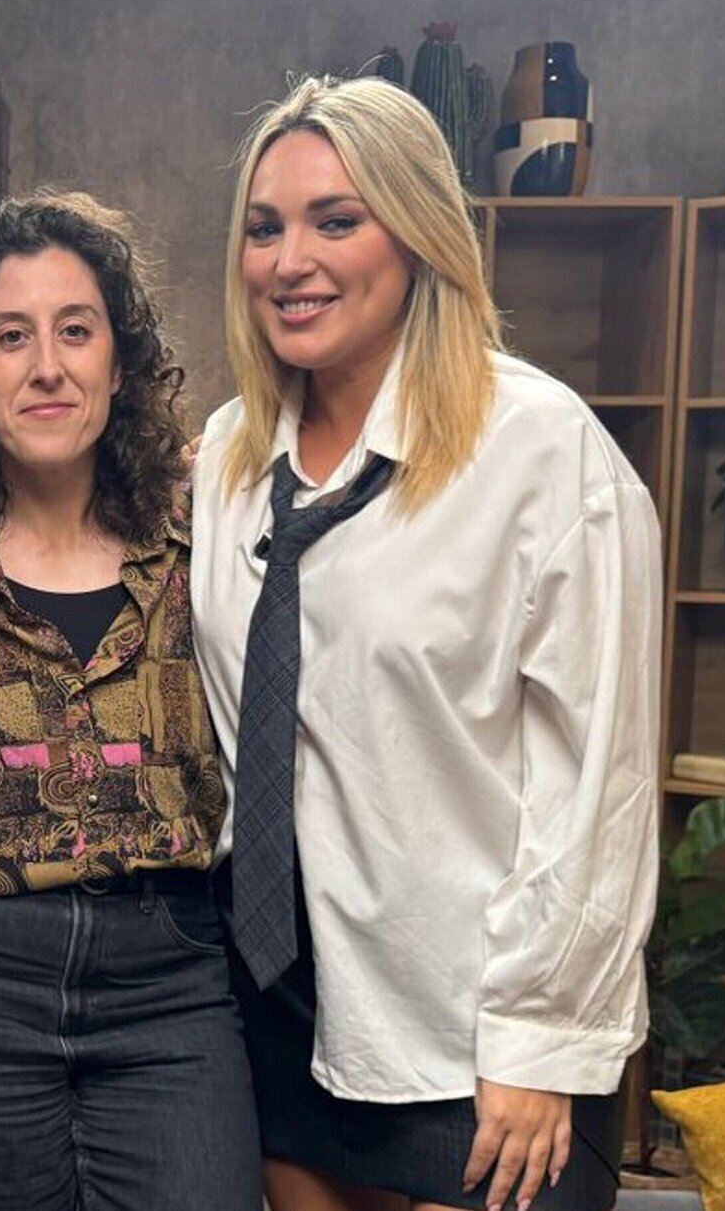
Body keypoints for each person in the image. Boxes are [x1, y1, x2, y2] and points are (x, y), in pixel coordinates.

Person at [192, 75, 661, 1211]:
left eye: (334, 220)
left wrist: (539, 1039)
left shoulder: (539, 451)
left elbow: (597, 783)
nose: (290, 260)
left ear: (415, 233)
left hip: (474, 1026)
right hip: (283, 1006)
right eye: (264, 228)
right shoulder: (228, 457)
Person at [0, 192, 260, 1211]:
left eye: (75, 331)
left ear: (119, 360)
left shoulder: (206, 530)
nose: (46, 366)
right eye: (11, 337)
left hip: (170, 975)